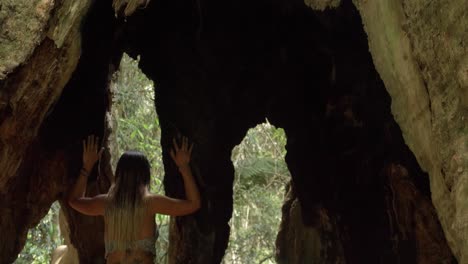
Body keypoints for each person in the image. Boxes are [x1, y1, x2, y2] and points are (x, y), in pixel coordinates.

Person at [68, 135, 201, 264]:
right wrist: (183, 166)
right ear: (145, 176)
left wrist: (87, 167)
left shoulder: (106, 203)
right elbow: (194, 204)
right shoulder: (151, 203)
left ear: (118, 175)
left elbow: (74, 200)